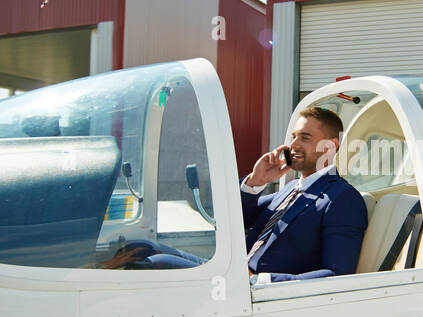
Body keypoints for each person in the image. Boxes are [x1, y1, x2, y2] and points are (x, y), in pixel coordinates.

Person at [141, 107, 368, 281]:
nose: (293, 145)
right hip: (233, 273)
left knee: (155, 263)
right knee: (142, 248)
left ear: (330, 146)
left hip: (254, 288)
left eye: (304, 138)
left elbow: (337, 274)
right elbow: (234, 220)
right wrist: (255, 182)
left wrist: (263, 281)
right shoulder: (290, 189)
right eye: (293, 137)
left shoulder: (341, 198)